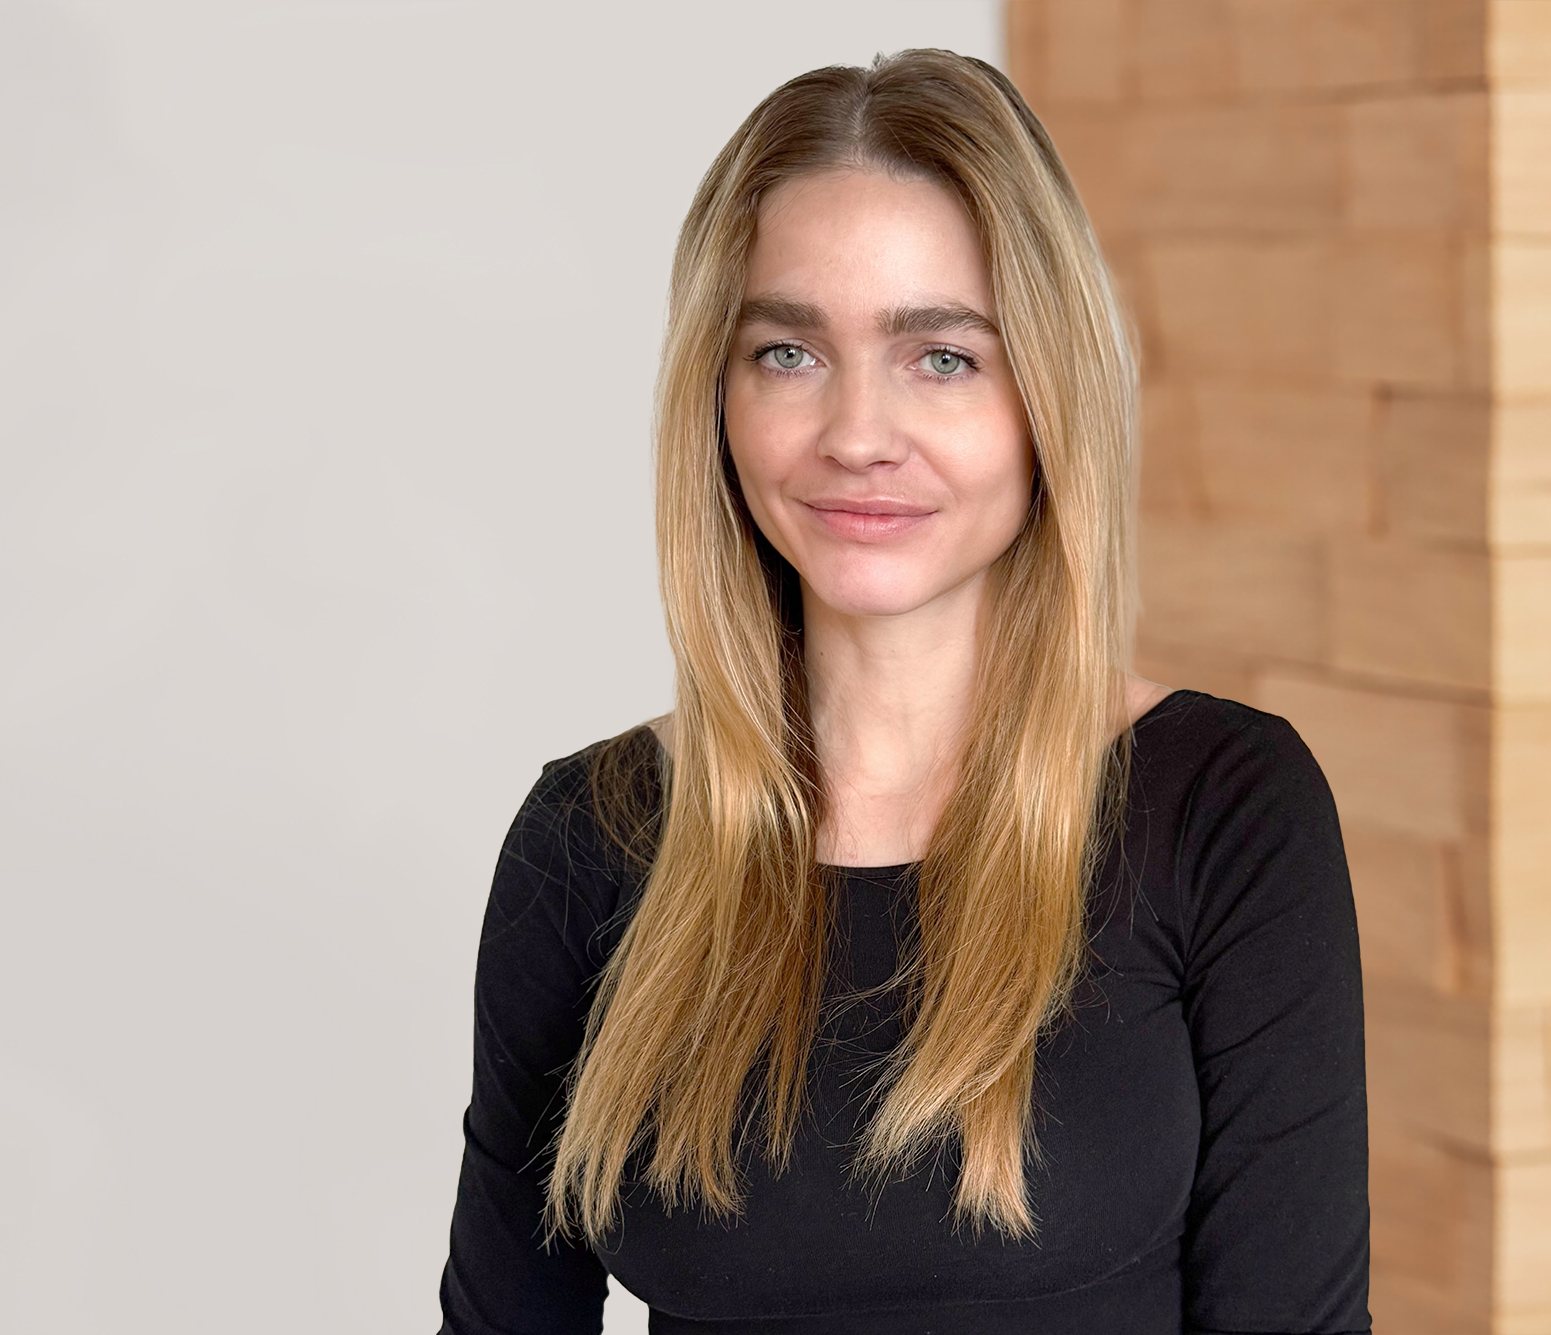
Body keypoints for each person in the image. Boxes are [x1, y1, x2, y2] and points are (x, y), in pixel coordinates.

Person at [437, 49, 1369, 1335]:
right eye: (786, 353)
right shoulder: (590, 838)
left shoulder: (1222, 808)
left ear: (1046, 397)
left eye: (941, 357)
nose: (857, 435)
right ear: (716, 397)